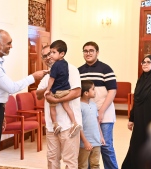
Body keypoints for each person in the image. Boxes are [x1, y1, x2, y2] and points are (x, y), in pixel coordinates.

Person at [0, 29, 47, 169]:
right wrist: (33, 77)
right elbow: (11, 88)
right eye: (9, 43)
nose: (11, 46)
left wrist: (1, 113)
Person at [36, 44, 82, 168]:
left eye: (50, 53)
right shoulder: (48, 75)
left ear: (60, 54)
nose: (48, 57)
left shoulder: (71, 69)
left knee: (69, 162)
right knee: (52, 160)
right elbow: (39, 95)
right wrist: (51, 87)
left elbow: (77, 92)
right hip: (52, 126)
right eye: (45, 55)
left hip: (68, 126)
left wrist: (55, 99)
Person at [78, 41, 118, 169]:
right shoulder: (79, 71)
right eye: (85, 51)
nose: (88, 53)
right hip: (87, 115)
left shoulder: (106, 69)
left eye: (91, 50)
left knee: (105, 146)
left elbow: (112, 91)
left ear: (97, 52)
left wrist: (101, 112)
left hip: (105, 113)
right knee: (88, 146)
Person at [122, 55, 151, 169]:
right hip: (139, 119)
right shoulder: (141, 79)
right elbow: (136, 101)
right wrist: (131, 119)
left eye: (148, 62)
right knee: (137, 144)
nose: (145, 64)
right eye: (143, 62)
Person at [44, 40, 81, 136]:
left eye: (53, 52)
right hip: (66, 90)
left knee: (52, 107)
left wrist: (48, 90)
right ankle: (74, 123)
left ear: (62, 54)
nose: (50, 55)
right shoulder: (65, 63)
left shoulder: (55, 65)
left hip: (57, 91)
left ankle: (55, 124)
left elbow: (52, 79)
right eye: (50, 52)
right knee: (67, 107)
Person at [78, 80, 105, 169]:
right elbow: (79, 126)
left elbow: (96, 122)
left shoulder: (93, 105)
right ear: (86, 93)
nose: (95, 91)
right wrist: (85, 142)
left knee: (95, 165)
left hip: (96, 141)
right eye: (93, 89)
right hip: (85, 143)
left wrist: (101, 137)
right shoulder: (79, 106)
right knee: (83, 166)